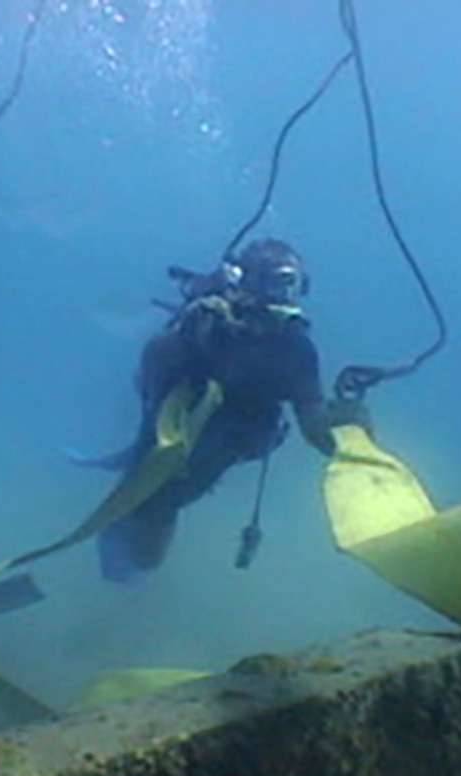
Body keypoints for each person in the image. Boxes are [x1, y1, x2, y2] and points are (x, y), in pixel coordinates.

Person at [93, 238, 370, 582]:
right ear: (242, 283)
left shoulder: (296, 351)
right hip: (175, 427)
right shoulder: (209, 322)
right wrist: (197, 333)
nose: (278, 296)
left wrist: (349, 427)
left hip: (228, 441)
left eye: (288, 285)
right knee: (147, 502)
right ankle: (117, 580)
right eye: (268, 282)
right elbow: (154, 367)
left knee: (155, 508)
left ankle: (123, 584)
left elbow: (315, 429)